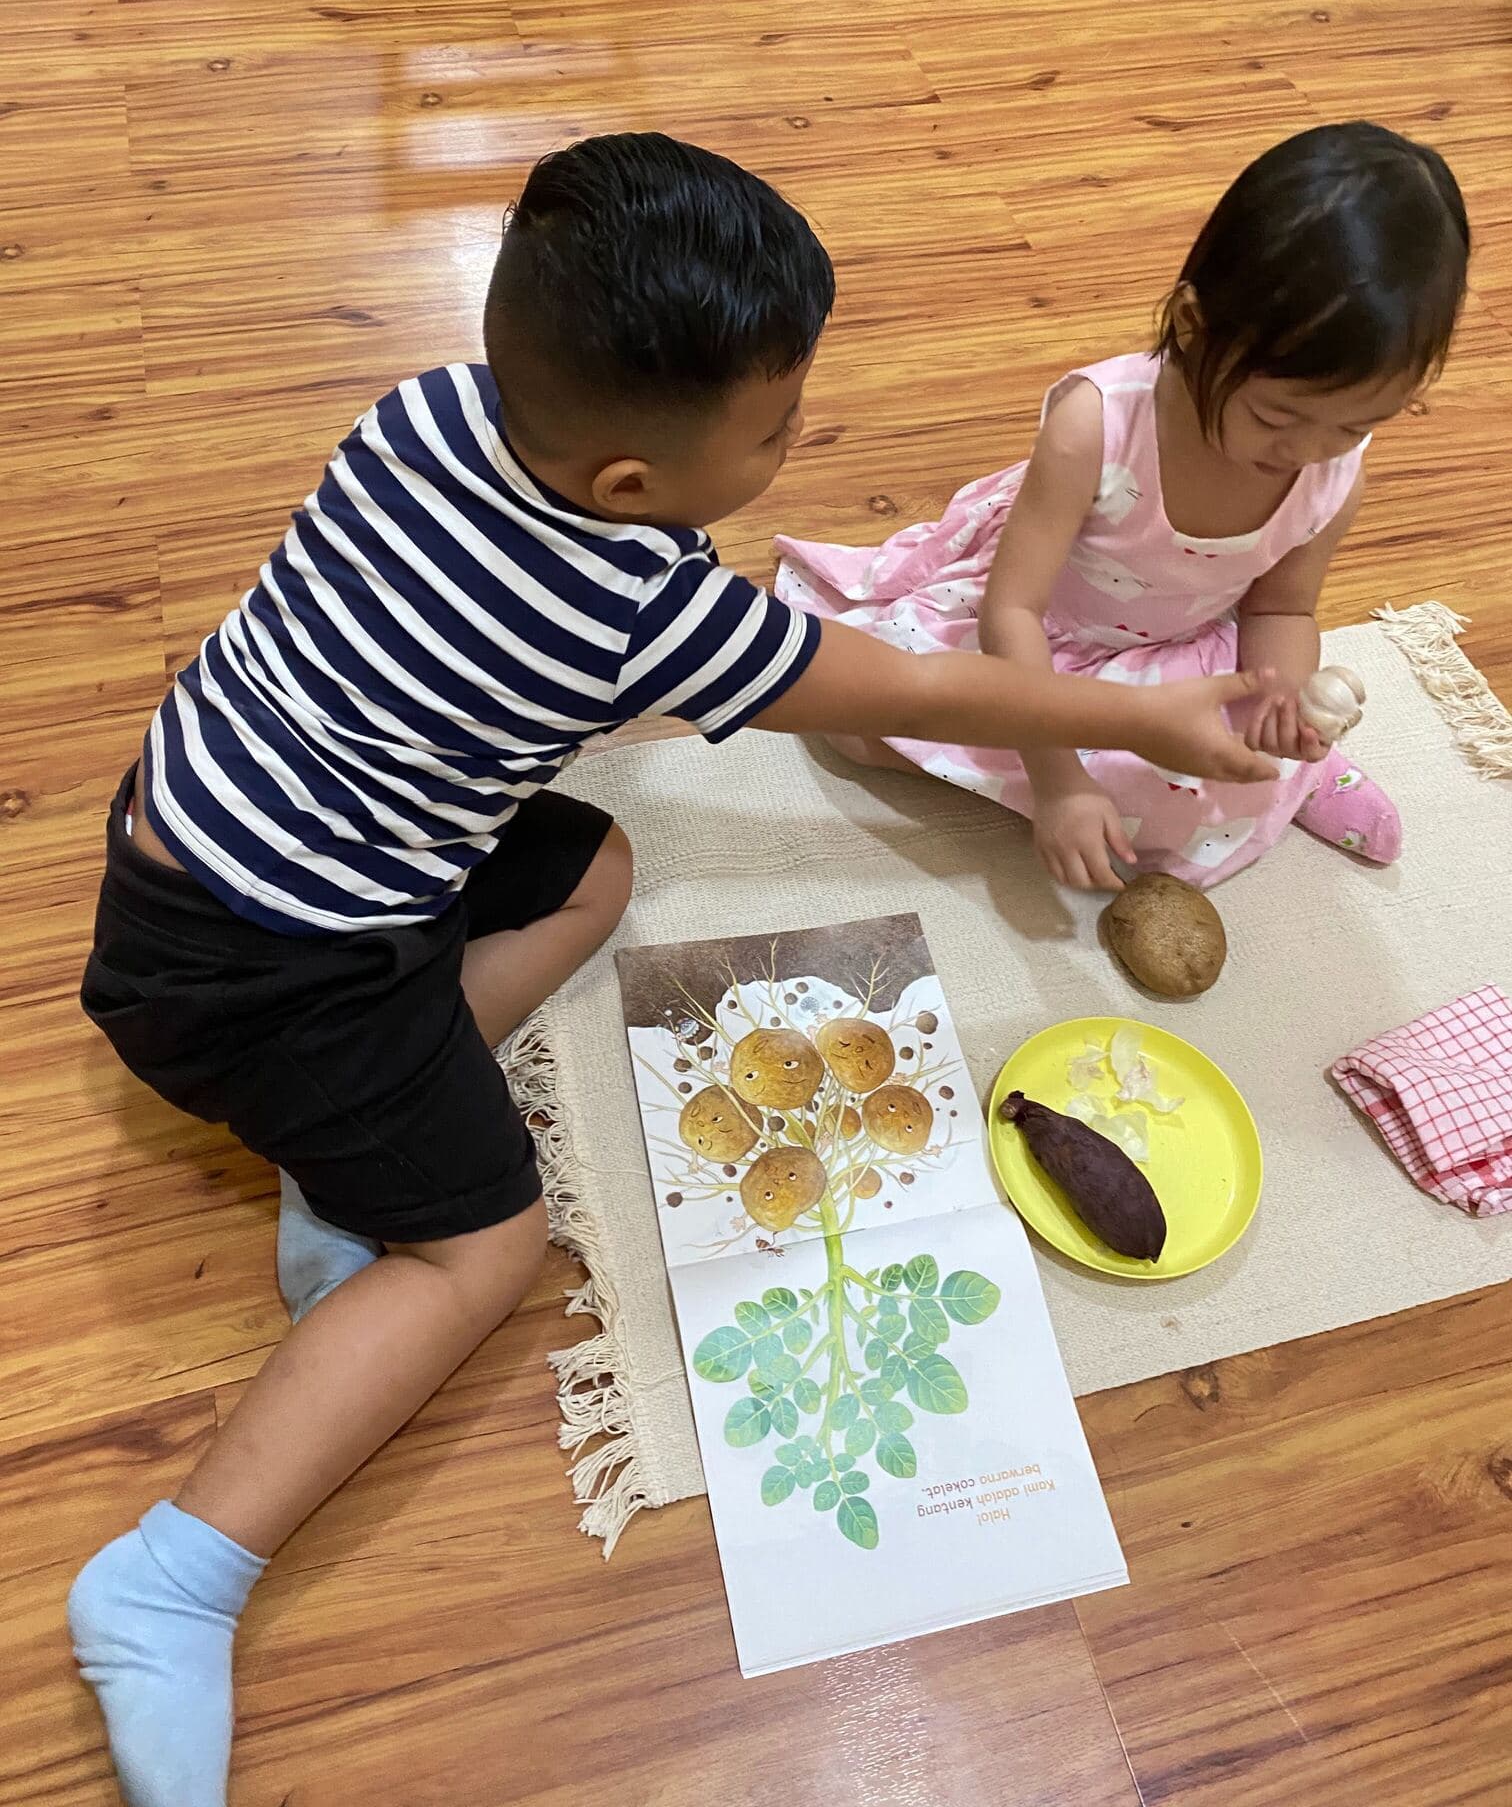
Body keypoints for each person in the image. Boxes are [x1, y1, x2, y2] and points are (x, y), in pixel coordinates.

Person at [70, 132, 1273, 1807]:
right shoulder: (641, 608)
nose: (800, 442)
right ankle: (173, 1574)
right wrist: (1144, 714)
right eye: (776, 429)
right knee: (483, 1253)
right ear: (632, 484)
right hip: (260, 975)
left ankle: (349, 1138)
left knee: (599, 870)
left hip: (190, 833)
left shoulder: (423, 409)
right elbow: (912, 692)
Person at [777, 122, 1470, 891]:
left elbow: (1282, 610)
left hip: (1180, 647)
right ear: (1190, 325)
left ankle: (1308, 770)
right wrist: (1058, 779)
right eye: (1278, 418)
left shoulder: (1335, 471)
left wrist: (1278, 698)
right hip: (1036, 634)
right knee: (854, 727)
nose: (1310, 451)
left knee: (1213, 766)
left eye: (1357, 425)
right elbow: (1010, 614)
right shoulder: (1095, 426)